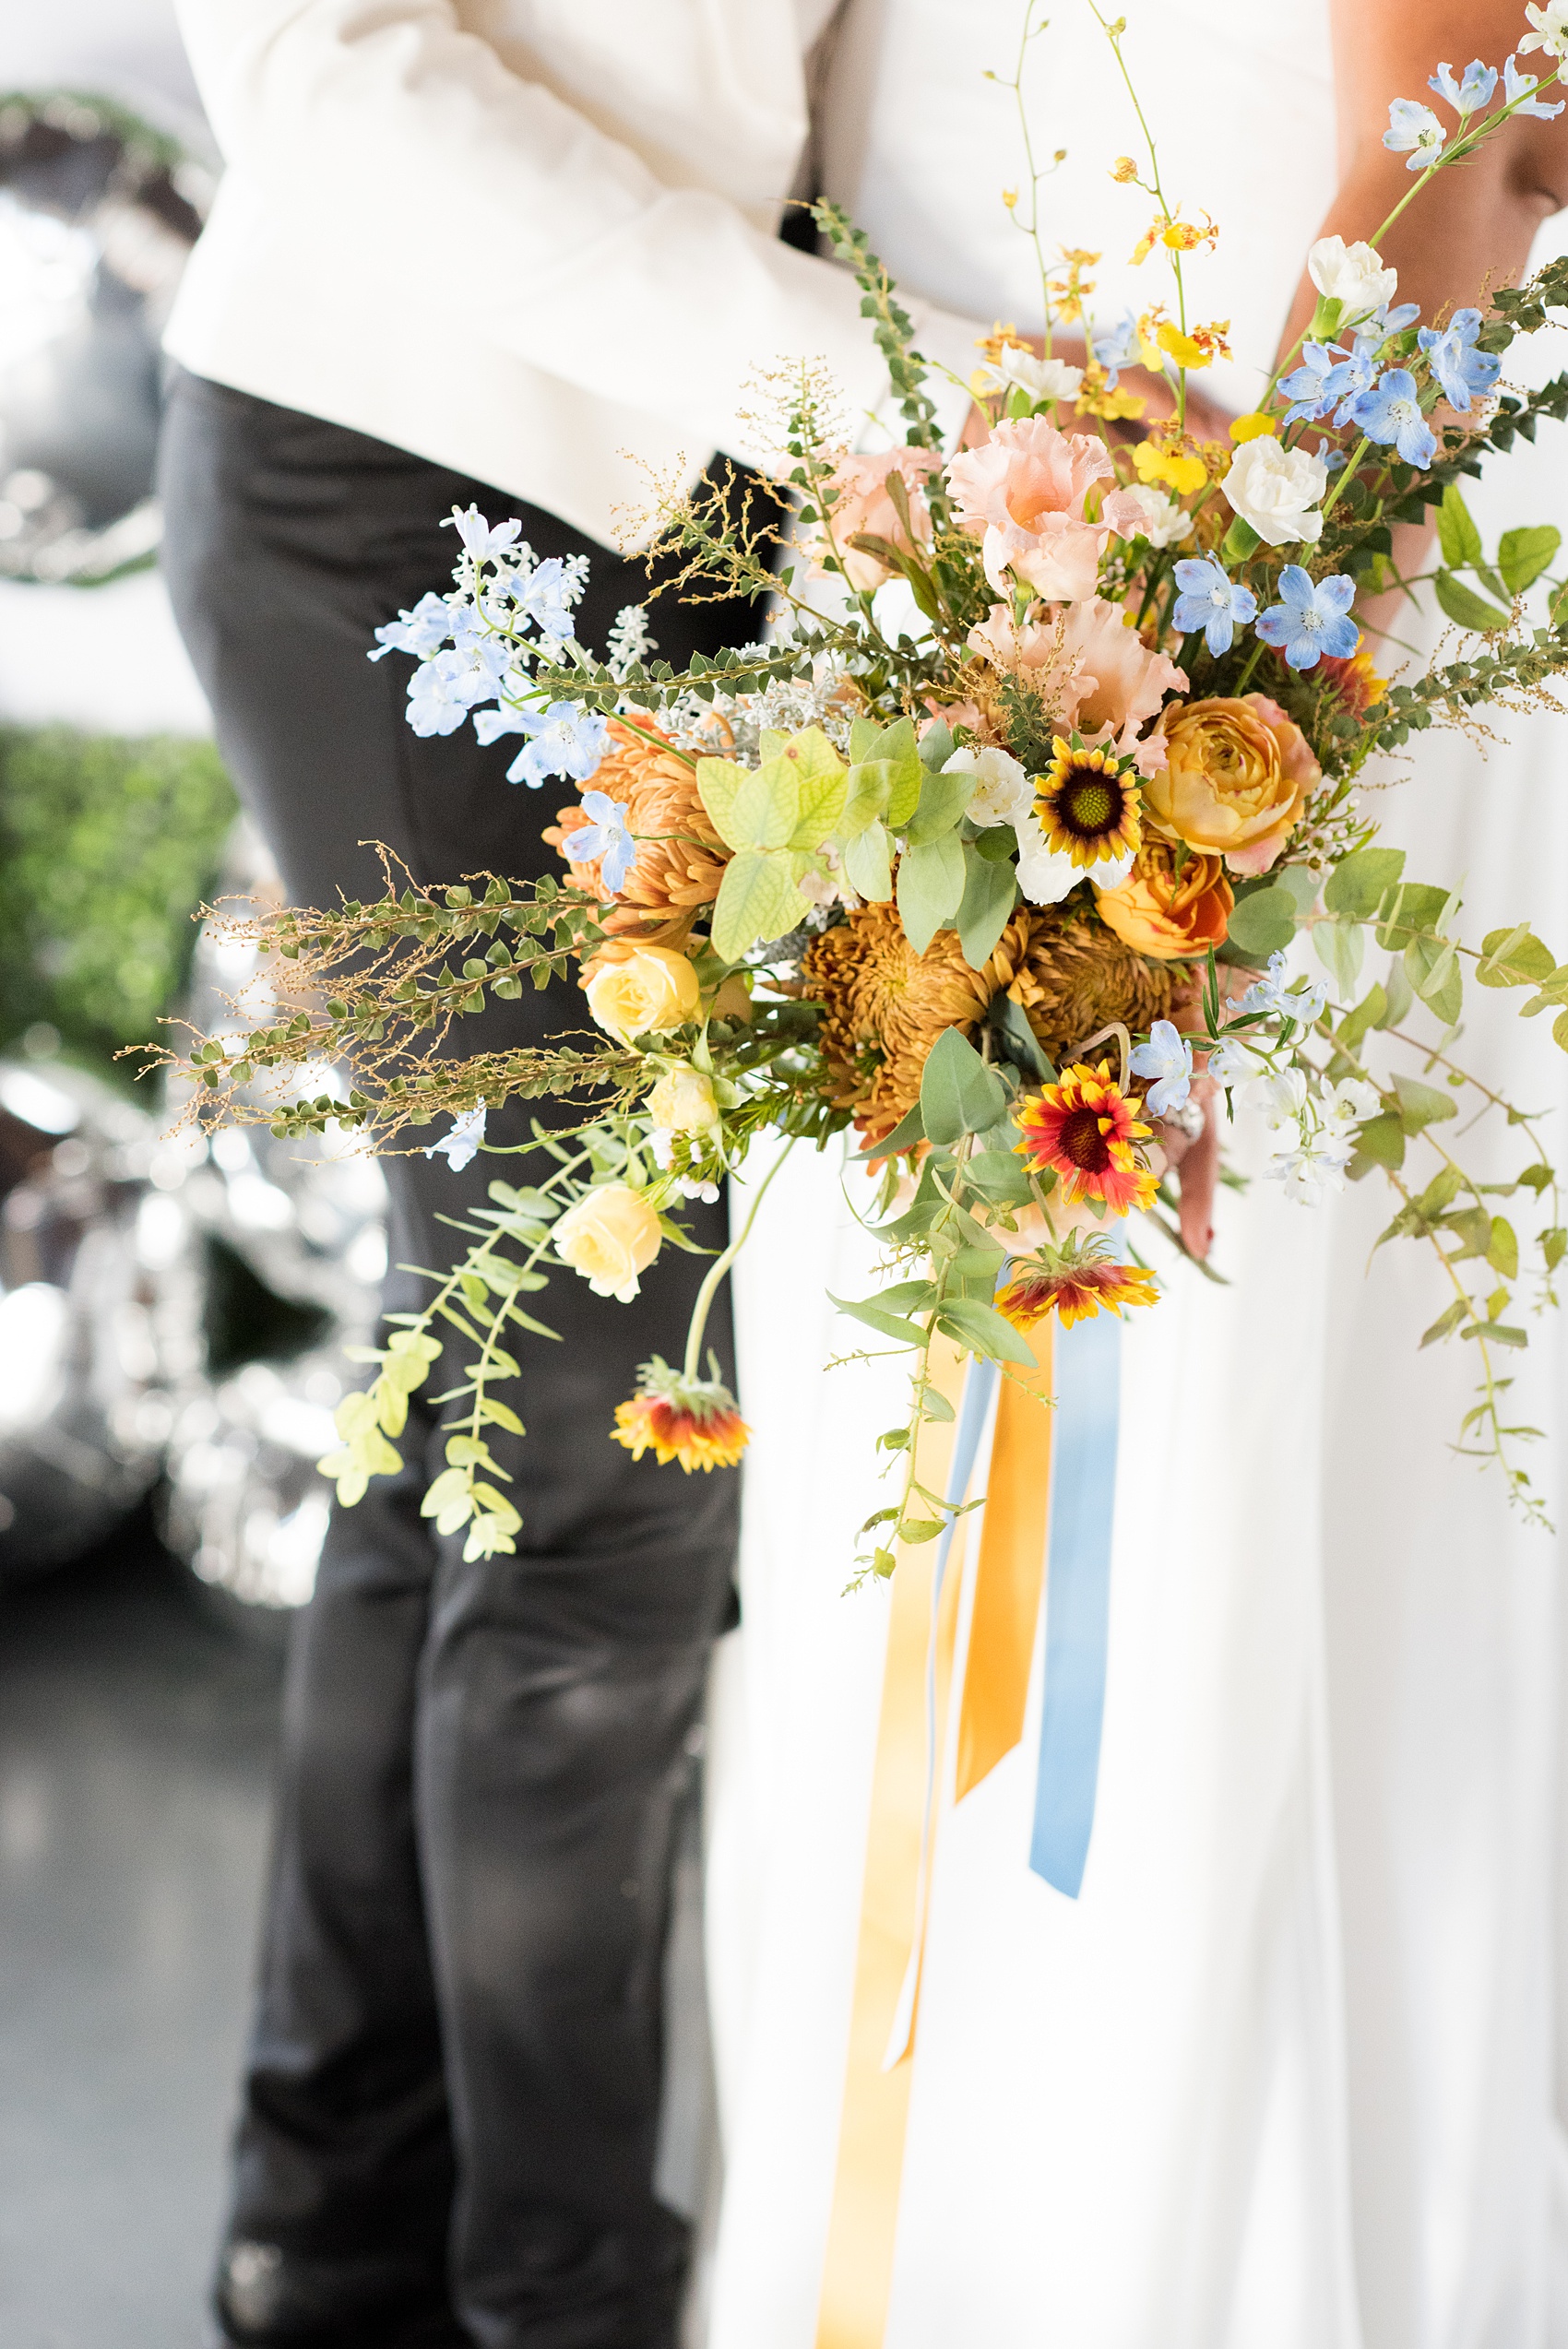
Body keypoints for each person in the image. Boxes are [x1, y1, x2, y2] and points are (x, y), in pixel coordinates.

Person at [702, 3, 1568, 2343]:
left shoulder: (1272, 644)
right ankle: (907, 2236)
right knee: (883, 1469)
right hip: (926, 581)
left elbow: (1468, 160)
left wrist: (1249, 704)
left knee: (1200, 1474)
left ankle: (1158, 2255)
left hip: (1275, 606)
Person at [154, 7, 986, 2346]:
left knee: (480, 1398)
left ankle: (332, 2229)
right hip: (410, 466)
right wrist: (848, 369)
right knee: (607, 1455)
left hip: (685, 501)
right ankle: (560, 2294)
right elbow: (323, 69)